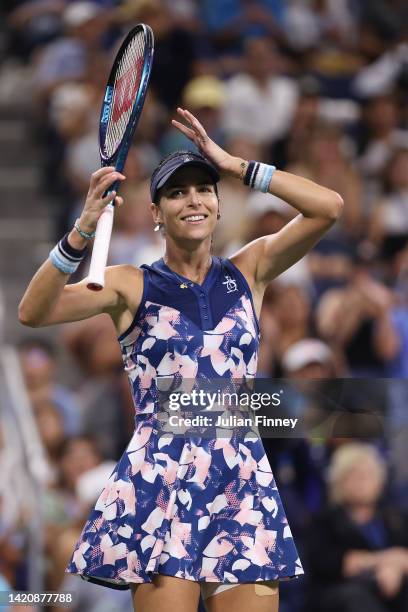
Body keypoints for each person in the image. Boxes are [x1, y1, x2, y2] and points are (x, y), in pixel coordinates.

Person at [19, 107, 343, 612]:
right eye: (176, 192)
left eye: (203, 190)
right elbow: (34, 312)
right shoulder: (130, 282)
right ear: (155, 214)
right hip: (162, 479)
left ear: (216, 205)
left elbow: (329, 207)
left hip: (240, 477)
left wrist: (238, 167)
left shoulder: (250, 269)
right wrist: (81, 230)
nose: (193, 199)